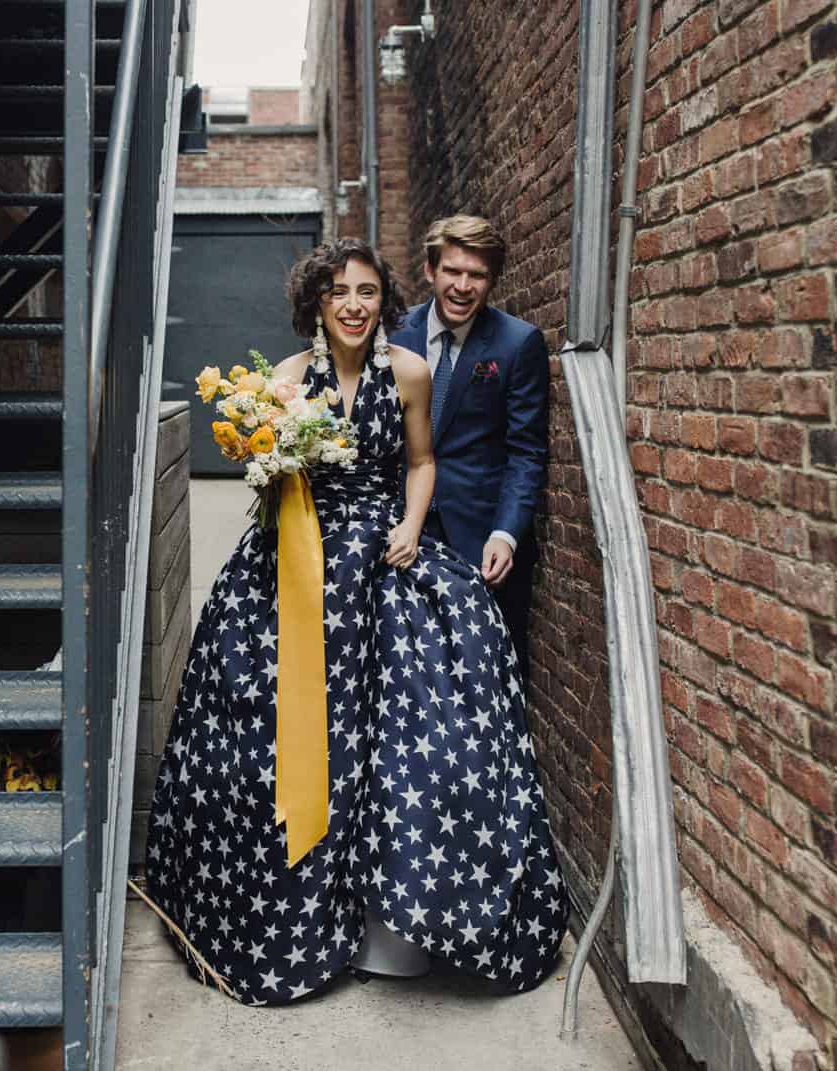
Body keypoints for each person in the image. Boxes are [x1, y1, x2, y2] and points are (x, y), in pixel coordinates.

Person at [144, 237, 564, 1007]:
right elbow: (273, 478)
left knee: (408, 728)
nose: (353, 304)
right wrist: (269, 467)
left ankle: (390, 925)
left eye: (367, 291)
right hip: (297, 562)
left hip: (382, 557)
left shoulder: (409, 371)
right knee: (272, 726)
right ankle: (290, 917)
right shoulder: (284, 379)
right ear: (316, 300)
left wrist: (411, 525)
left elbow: (422, 461)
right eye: (338, 290)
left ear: (384, 301)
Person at [389, 215, 549, 682]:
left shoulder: (518, 344)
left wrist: (506, 534)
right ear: (430, 271)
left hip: (480, 542)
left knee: (486, 675)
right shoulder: (392, 334)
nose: (462, 286)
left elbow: (526, 452)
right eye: (452, 271)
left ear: (492, 280)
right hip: (401, 532)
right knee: (410, 675)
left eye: (476, 275)